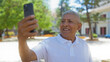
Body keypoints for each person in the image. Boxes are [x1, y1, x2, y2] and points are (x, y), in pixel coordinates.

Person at [18, 10, 92, 62]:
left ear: (79, 27)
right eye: (63, 21)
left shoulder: (84, 45)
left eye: (70, 21)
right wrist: (21, 39)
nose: (65, 24)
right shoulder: (47, 43)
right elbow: (27, 57)